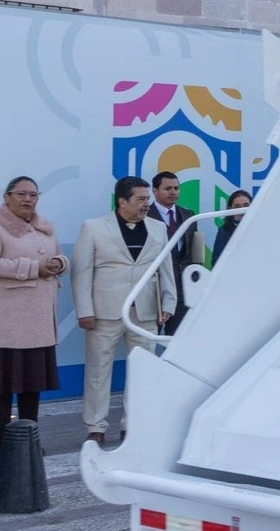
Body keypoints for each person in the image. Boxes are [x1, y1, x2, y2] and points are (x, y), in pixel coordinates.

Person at [73, 176, 172, 445]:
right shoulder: (93, 228)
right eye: (140, 199)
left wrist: (169, 303)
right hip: (104, 312)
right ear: (122, 201)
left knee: (142, 371)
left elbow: (165, 269)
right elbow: (81, 273)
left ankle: (134, 423)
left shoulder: (158, 228)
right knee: (97, 371)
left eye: (147, 199)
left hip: (146, 311)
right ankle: (95, 426)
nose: (146, 204)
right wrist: (84, 310)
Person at [0, 177, 64, 449]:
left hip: (37, 319)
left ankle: (29, 438)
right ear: (7, 196)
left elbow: (56, 256)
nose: (28, 199)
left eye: (33, 195)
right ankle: (2, 437)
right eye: (21, 194)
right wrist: (34, 268)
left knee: (32, 383)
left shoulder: (44, 227)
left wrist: (59, 262)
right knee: (3, 384)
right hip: (6, 320)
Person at [150, 170, 197, 334]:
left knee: (177, 337)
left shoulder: (188, 215)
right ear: (155, 191)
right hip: (155, 289)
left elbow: (194, 253)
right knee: (150, 336)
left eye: (176, 188)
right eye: (168, 188)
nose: (173, 192)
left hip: (183, 287)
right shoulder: (144, 216)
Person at [211, 190, 254, 265]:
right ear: (230, 209)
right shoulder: (224, 231)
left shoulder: (262, 228)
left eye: (246, 205)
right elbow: (216, 262)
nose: (242, 209)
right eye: (237, 206)